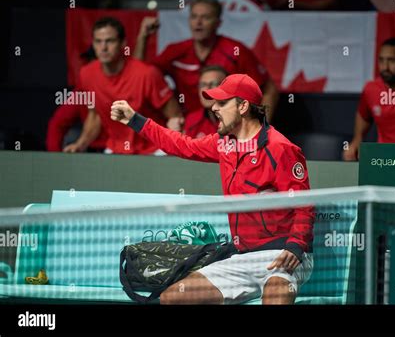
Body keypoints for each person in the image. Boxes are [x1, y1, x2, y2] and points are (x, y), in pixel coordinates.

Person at [111, 73, 314, 304]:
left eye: (222, 102)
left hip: (282, 255)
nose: (214, 107)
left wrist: (296, 246)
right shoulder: (223, 145)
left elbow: (304, 204)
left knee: (277, 295)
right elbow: (180, 144)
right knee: (173, 298)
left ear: (243, 106)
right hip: (243, 257)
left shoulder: (280, 148)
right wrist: (135, 120)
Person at [133, 0, 279, 122]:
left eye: (206, 17)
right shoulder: (176, 51)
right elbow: (139, 76)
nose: (199, 22)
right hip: (189, 127)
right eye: (194, 17)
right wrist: (143, 37)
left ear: (218, 23)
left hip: (228, 126)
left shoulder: (235, 51)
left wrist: (260, 126)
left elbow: (269, 89)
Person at [63, 17, 183, 155]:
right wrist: (80, 144)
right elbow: (95, 116)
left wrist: (173, 152)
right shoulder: (87, 74)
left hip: (154, 150)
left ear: (122, 43)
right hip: (116, 148)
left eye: (110, 41)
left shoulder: (147, 74)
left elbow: (175, 116)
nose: (103, 47)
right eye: (98, 41)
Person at [184, 65, 227, 138]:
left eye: (214, 84)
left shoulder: (241, 119)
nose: (207, 89)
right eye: (203, 85)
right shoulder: (191, 120)